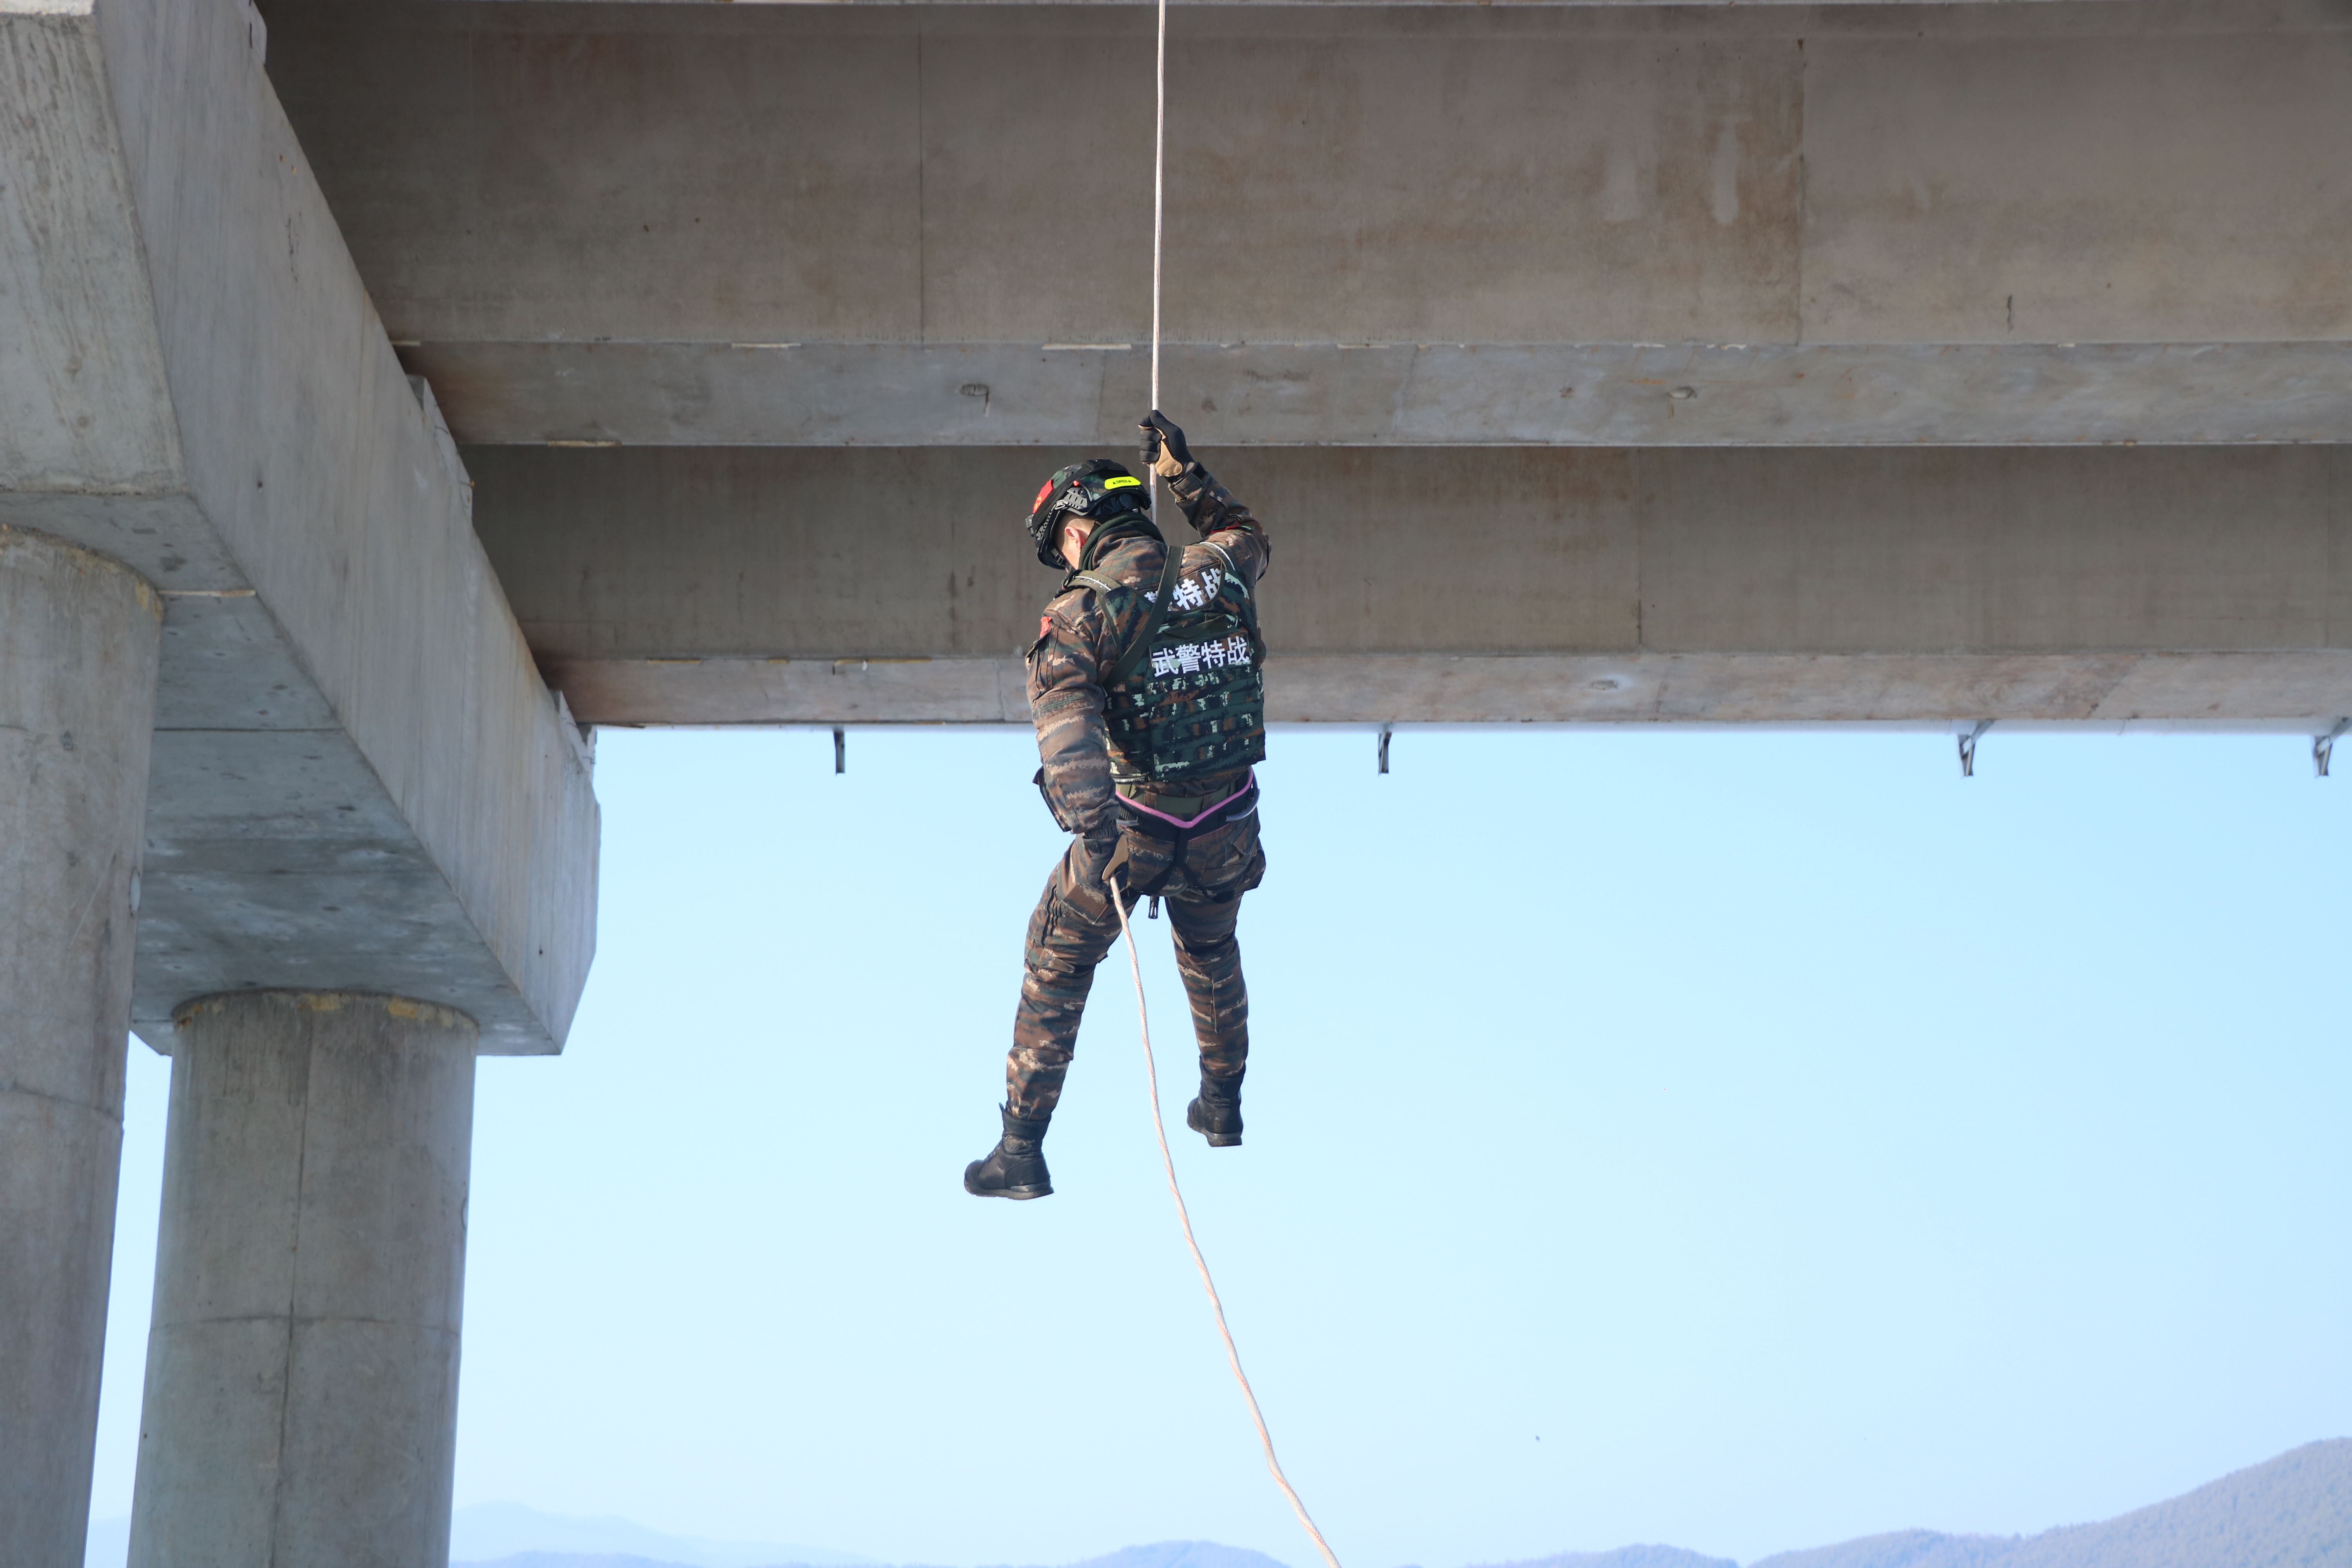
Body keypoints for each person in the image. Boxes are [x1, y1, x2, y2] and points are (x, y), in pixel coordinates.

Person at [965, 411, 1273, 1200]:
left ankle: (1021, 1150)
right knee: (1211, 955)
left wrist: (1098, 843)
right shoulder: (1222, 567)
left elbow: (1068, 751)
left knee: (1057, 963)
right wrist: (1184, 471)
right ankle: (1223, 1107)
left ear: (1076, 532)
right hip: (1227, 825)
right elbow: (1246, 529)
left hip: (1132, 831)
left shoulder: (1076, 618)